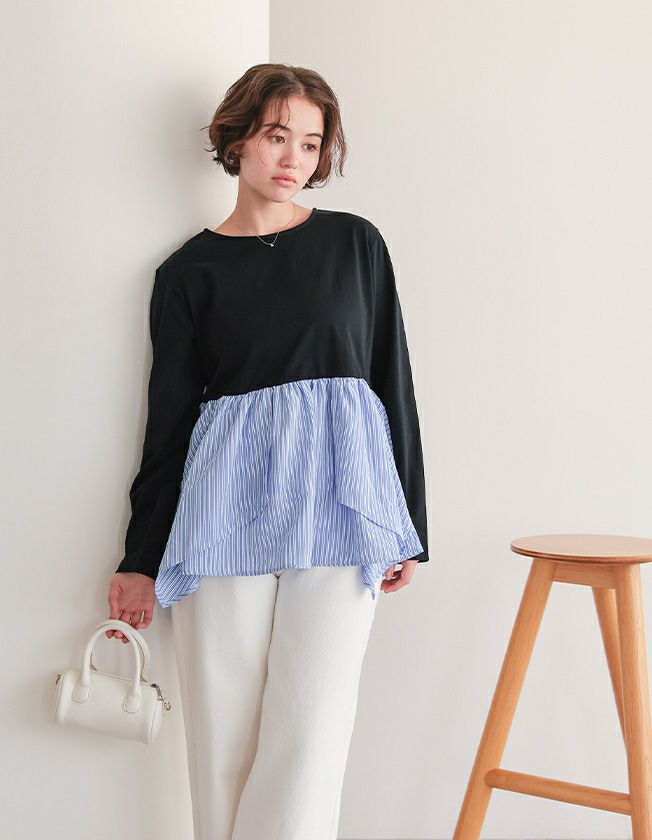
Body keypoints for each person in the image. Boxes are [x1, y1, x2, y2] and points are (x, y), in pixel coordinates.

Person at [106, 63, 429, 840]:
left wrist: (408, 522)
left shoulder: (354, 244)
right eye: (277, 136)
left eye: (311, 144)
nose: (293, 158)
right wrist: (140, 558)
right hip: (224, 510)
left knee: (312, 730)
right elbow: (169, 420)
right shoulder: (187, 273)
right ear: (238, 138)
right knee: (221, 738)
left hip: (342, 505)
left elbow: (392, 380)